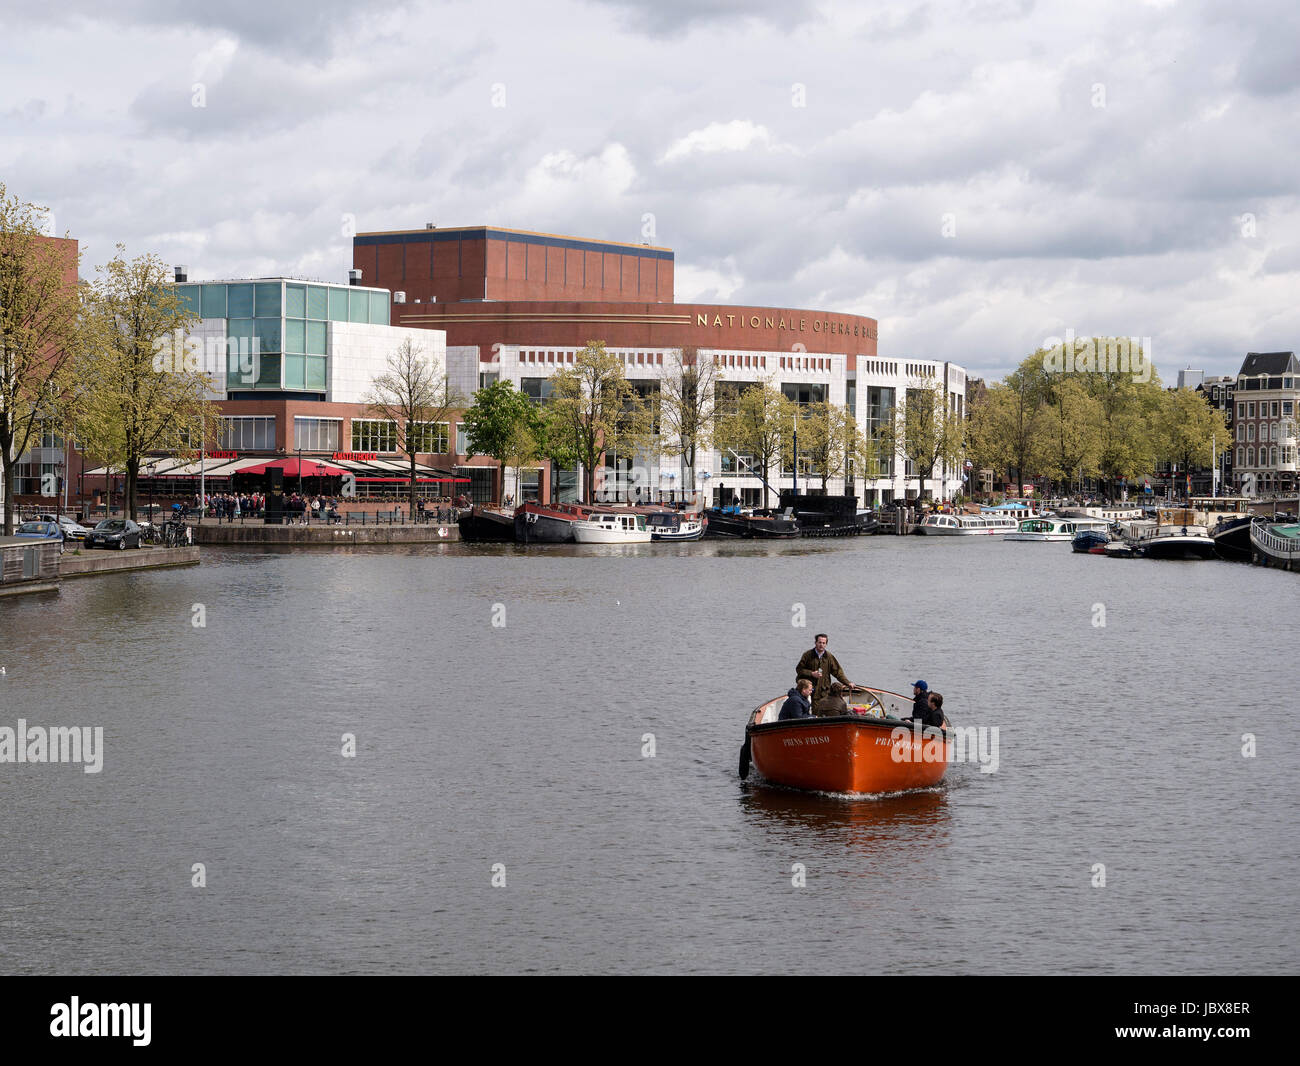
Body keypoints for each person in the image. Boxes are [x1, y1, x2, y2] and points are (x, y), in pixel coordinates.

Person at [796, 633, 852, 707]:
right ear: (815, 643)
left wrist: (848, 683)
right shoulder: (807, 655)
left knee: (824, 711)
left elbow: (838, 672)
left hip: (824, 691)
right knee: (814, 712)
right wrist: (812, 673)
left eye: (823, 643)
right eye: (819, 642)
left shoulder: (829, 657)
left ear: (826, 644)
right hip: (810, 691)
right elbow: (799, 669)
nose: (821, 645)